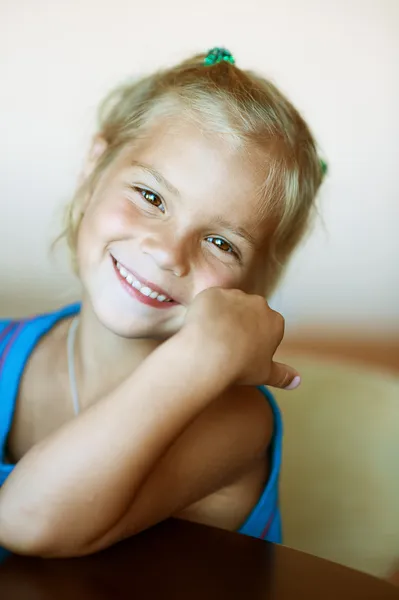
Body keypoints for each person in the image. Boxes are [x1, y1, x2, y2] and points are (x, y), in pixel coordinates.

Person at [0, 47, 325, 559]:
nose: (169, 253)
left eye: (222, 243)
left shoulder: (237, 420)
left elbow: (26, 521)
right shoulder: (5, 349)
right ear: (94, 169)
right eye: (152, 197)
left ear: (255, 284)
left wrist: (204, 354)